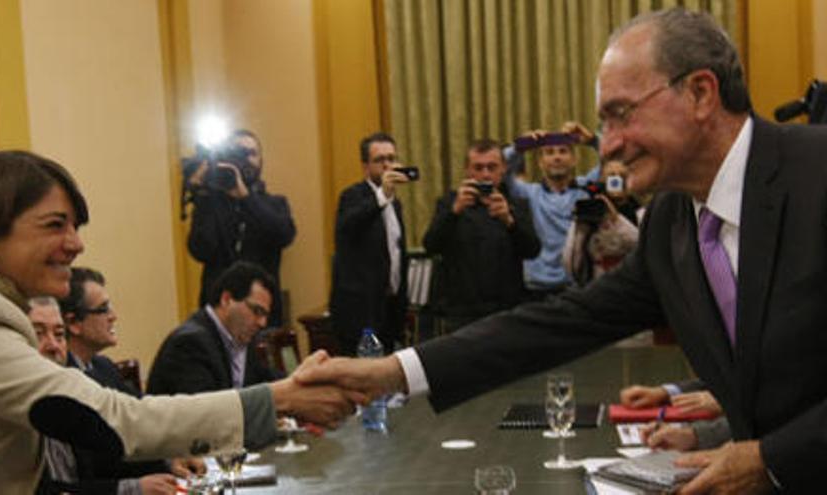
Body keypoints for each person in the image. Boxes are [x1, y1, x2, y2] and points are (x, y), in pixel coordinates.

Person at [300, 8, 826, 492]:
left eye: (622, 114)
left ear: (701, 93)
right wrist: (393, 372)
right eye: (604, 122)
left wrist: (770, 459)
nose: (611, 143)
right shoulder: (673, 222)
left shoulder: (817, 172)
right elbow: (559, 323)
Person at [0, 150, 356, 493]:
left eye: (75, 226)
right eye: (55, 225)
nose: (76, 244)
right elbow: (112, 420)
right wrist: (279, 399)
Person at [29, 297, 183, 495]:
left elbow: (115, 450)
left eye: (59, 335)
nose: (53, 346)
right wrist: (132, 489)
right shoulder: (5, 413)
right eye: (38, 334)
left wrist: (169, 459)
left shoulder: (76, 386)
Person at [422, 139, 540, 332]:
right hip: (461, 311)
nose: (485, 174)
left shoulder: (516, 204)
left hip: (506, 309)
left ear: (503, 169)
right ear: (467, 170)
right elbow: (430, 245)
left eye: (491, 167)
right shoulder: (449, 202)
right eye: (478, 167)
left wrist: (510, 221)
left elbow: (533, 250)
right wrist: (454, 212)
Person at [188, 129, 295, 327]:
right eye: (238, 153)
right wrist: (202, 196)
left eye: (252, 154)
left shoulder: (275, 204)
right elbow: (200, 249)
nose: (246, 159)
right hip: (219, 313)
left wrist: (245, 198)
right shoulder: (212, 204)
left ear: (261, 160)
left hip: (263, 316)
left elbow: (283, 235)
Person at [147, 260, 283, 395]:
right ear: (227, 299)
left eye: (265, 315)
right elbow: (206, 412)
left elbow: (270, 386)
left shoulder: (244, 340)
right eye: (257, 311)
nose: (262, 323)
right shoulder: (190, 344)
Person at [329, 132, 410, 355]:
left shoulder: (395, 204)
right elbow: (347, 228)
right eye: (379, 160)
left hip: (390, 308)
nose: (387, 165)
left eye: (391, 159)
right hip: (361, 312)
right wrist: (382, 195)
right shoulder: (352, 196)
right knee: (364, 378)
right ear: (365, 166)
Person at [507, 122, 600, 300]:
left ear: (574, 159)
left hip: (577, 286)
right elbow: (502, 171)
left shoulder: (585, 188)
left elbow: (614, 161)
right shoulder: (529, 193)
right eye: (549, 152)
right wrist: (521, 146)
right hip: (537, 287)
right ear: (541, 163)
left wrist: (592, 141)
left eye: (563, 151)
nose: (557, 157)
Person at [59, 267, 139, 395]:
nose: (113, 317)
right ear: (73, 323)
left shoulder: (104, 365)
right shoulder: (62, 377)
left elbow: (136, 408)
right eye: (103, 309)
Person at [562, 159, 643, 285]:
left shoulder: (643, 213)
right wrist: (582, 229)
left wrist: (616, 220)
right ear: (602, 181)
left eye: (622, 176)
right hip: (597, 284)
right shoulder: (590, 212)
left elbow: (644, 249)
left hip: (632, 284)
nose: (616, 180)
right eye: (611, 176)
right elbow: (571, 261)